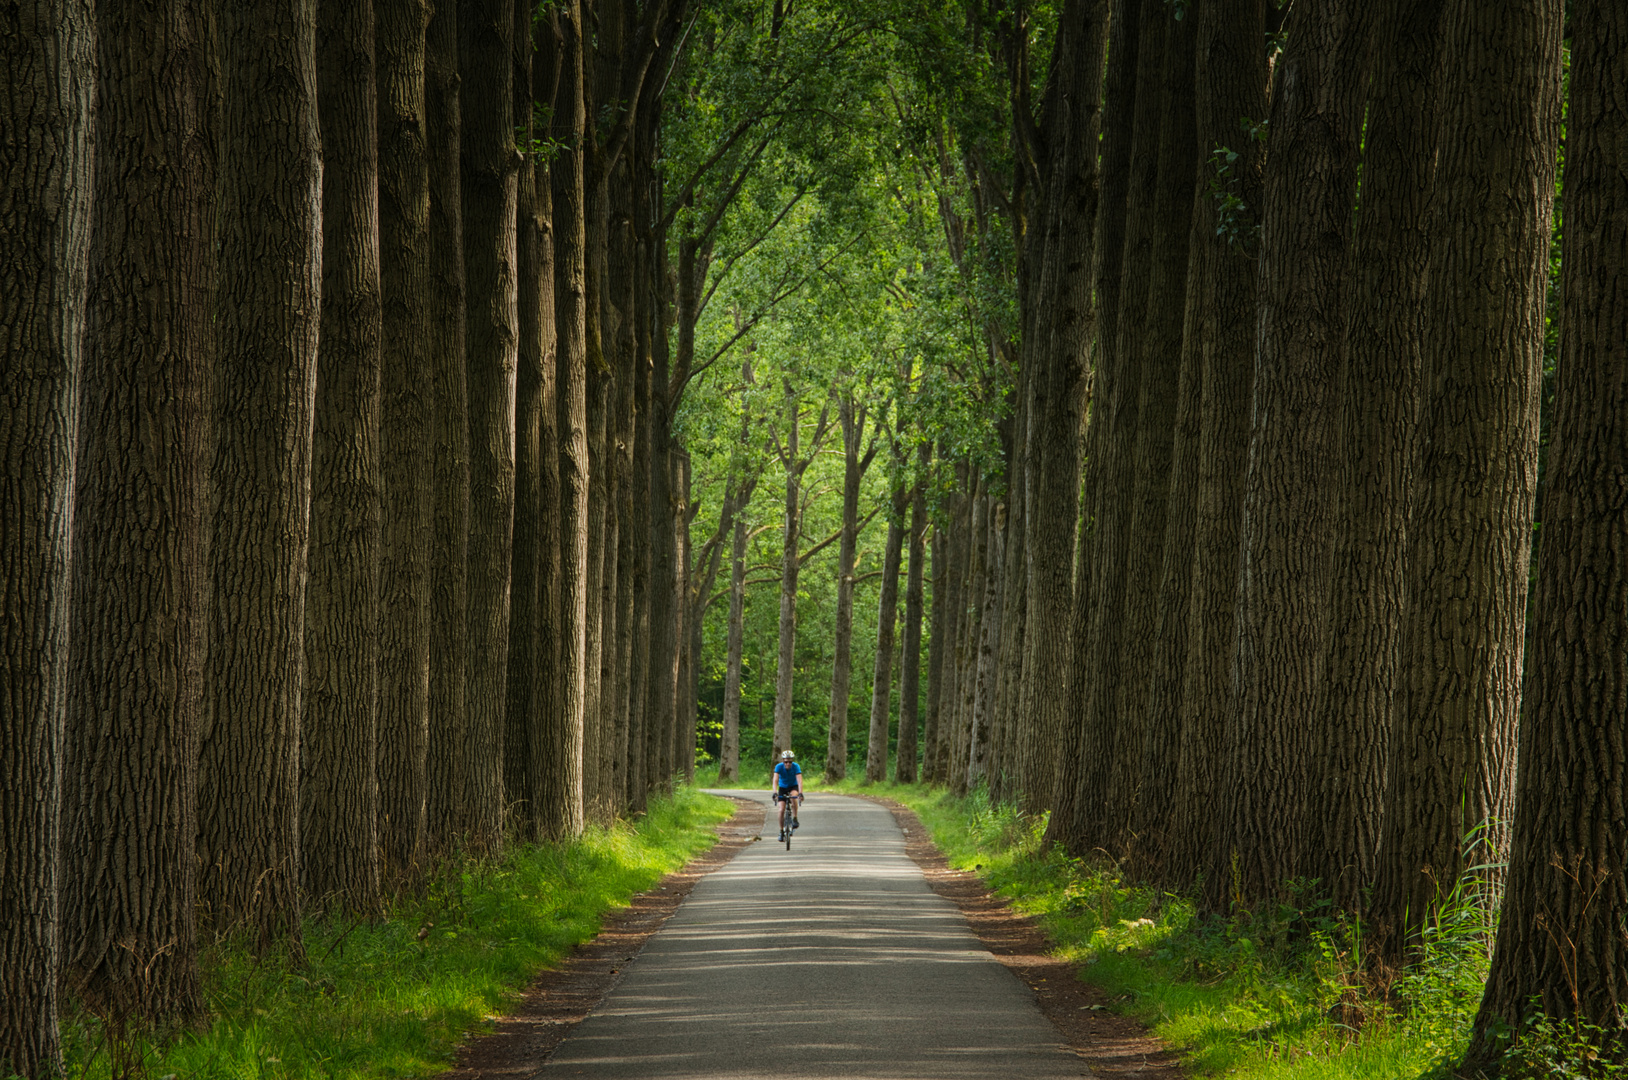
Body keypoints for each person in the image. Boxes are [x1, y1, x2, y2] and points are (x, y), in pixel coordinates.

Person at [771, 750, 803, 841]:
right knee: (781, 809)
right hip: (783, 787)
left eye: (790, 762)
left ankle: (795, 818)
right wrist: (774, 792)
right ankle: (781, 831)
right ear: (783, 761)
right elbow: (775, 780)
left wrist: (800, 793)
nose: (788, 764)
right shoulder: (779, 767)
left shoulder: (796, 766)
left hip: (793, 786)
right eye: (786, 762)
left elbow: (799, 780)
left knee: (793, 797)